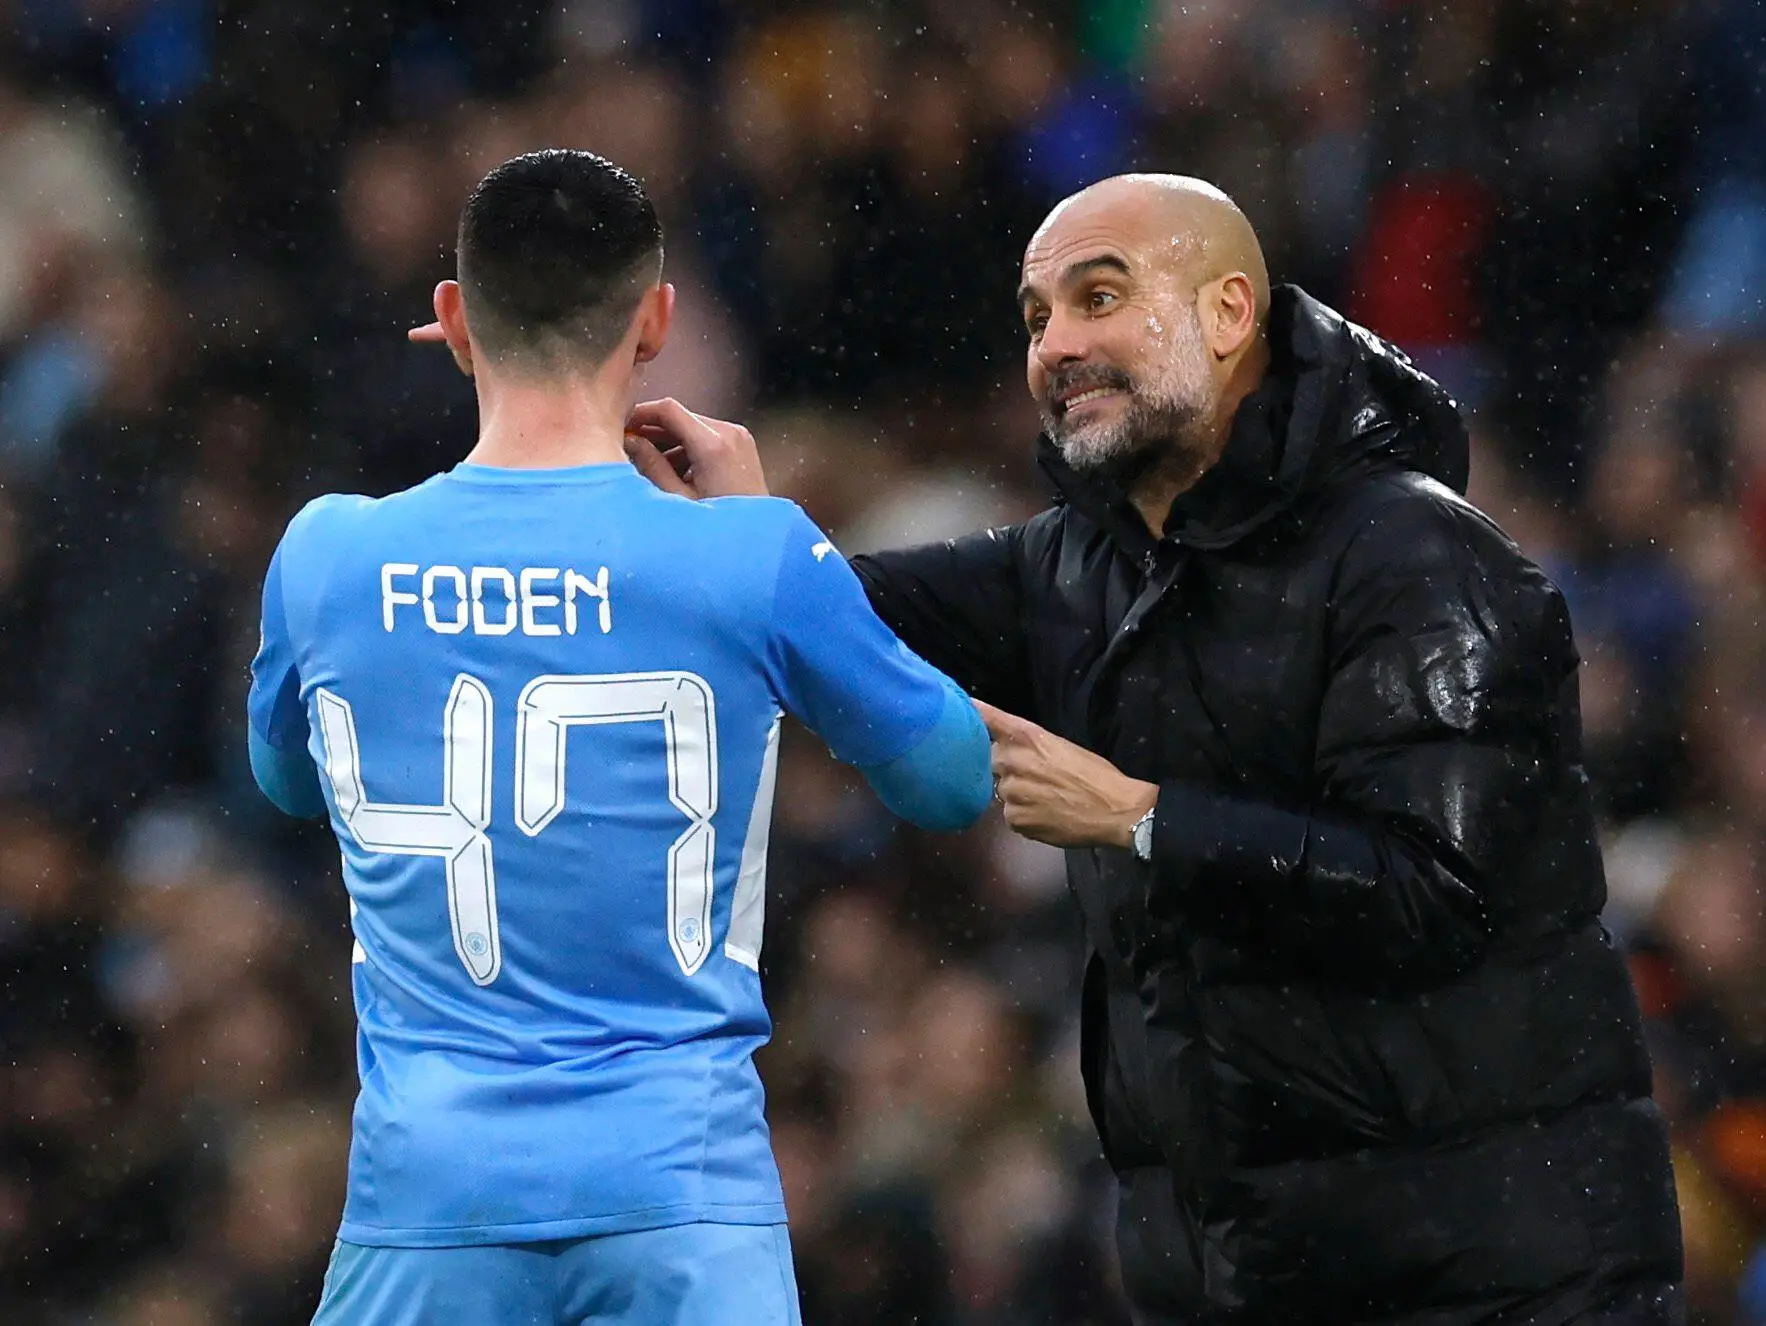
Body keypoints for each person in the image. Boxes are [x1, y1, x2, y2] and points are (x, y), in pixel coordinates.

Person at [611, 175, 1687, 1324]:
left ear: (1229, 316)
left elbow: (1440, 895)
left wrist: (1139, 815)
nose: (1056, 345)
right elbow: (833, 622)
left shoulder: (1421, 561)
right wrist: (737, 530)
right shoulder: (1077, 565)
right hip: (1243, 1280)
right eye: (1035, 319)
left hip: (1495, 1285)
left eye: (1098, 297)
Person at [246, 149, 993, 1326]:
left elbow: (284, 780)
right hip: (679, 1202)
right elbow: (951, 781)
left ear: (450, 316)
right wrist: (755, 530)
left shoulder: (325, 553)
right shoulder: (751, 554)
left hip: (431, 1203)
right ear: (654, 322)